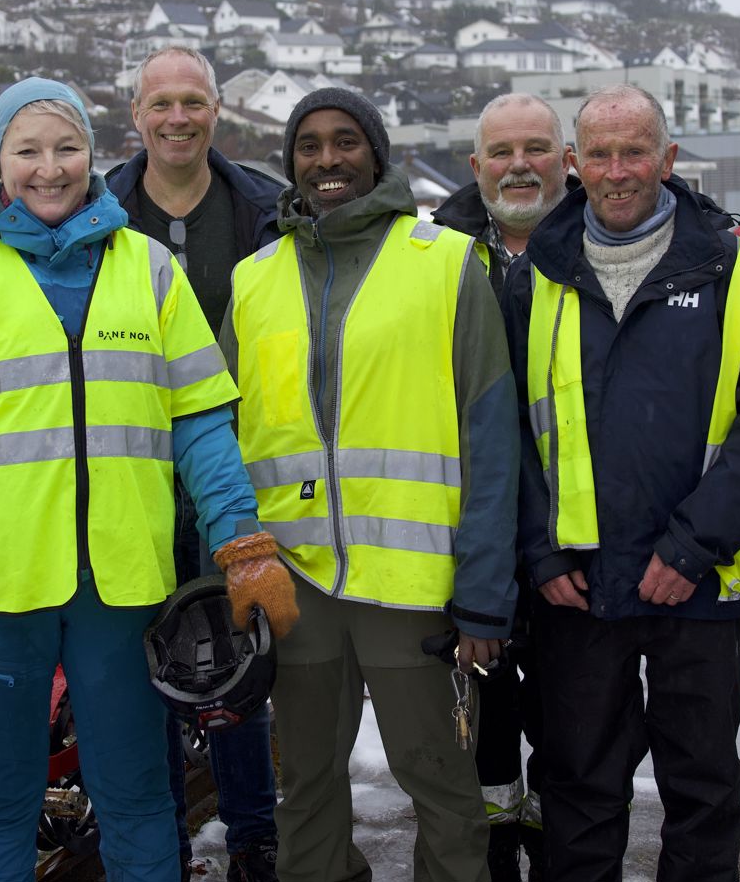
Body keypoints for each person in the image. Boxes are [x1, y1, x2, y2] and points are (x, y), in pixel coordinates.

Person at [0, 77, 298, 882]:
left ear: (93, 157)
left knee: (137, 796)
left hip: (122, 590)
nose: (49, 168)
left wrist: (241, 538)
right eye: (26, 150)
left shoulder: (149, 269)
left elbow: (201, 421)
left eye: (66, 147)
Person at [502, 84, 740, 881]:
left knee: (703, 788)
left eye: (634, 150)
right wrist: (541, 550)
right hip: (579, 588)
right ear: (574, 164)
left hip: (694, 586)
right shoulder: (533, 279)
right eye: (598, 154)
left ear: (668, 159)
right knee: (578, 788)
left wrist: (693, 545)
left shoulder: (730, 273)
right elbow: (507, 432)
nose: (616, 170)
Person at [222, 87, 520, 882]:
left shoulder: (448, 264)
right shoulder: (254, 281)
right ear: (290, 162)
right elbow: (219, 439)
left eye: (346, 140)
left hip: (417, 592)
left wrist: (486, 591)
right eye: (309, 144)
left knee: (443, 786)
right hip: (296, 585)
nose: (327, 159)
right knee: (305, 786)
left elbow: (493, 443)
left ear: (377, 155)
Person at [107, 46, 285, 882]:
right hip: (131, 477)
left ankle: (253, 835)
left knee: (237, 660)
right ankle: (165, 842)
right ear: (134, 114)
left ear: (217, 109)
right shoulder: (100, 208)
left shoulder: (263, 208)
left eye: (193, 101)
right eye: (161, 103)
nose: (178, 117)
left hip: (232, 470)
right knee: (146, 670)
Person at [431, 92, 576, 881]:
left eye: (536, 147)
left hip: (573, 536)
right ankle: (493, 847)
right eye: (502, 150)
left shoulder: (601, 245)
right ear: (476, 163)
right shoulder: (434, 253)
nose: (519, 164)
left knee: (573, 728)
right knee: (480, 726)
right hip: (471, 528)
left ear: (566, 158)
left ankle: (560, 846)